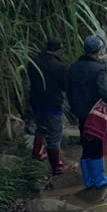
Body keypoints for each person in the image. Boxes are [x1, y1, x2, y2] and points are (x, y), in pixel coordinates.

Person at [67, 35, 107, 188]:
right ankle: (99, 179)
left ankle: (88, 180)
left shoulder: (73, 67)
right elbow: (103, 90)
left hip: (80, 112)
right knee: (96, 142)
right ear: (98, 51)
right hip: (94, 113)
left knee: (86, 143)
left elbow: (68, 90)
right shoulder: (98, 69)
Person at [27, 38, 70, 175]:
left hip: (35, 101)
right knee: (55, 135)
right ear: (58, 50)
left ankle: (36, 153)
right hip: (52, 103)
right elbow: (65, 86)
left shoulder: (33, 62)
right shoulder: (59, 66)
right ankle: (57, 166)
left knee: (41, 128)